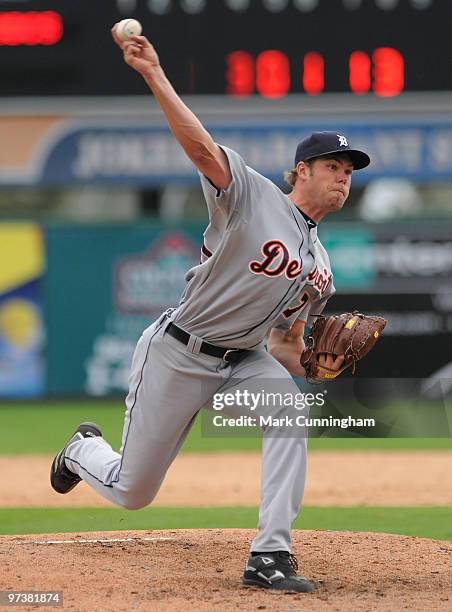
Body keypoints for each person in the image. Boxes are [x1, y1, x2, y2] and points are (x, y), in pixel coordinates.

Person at [50, 26, 370, 594]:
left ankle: (270, 555)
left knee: (290, 411)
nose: (342, 176)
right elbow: (199, 148)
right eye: (331, 166)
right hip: (180, 350)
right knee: (133, 491)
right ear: (302, 171)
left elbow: (285, 347)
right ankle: (82, 450)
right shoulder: (251, 195)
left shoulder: (321, 267)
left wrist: (321, 367)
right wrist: (153, 73)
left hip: (243, 361)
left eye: (348, 170)